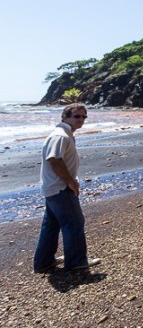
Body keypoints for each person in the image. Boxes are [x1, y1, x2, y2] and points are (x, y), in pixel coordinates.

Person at [33, 103, 101, 272]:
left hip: (53, 188)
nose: (81, 120)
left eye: (84, 117)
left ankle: (44, 262)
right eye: (77, 116)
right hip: (60, 188)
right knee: (74, 222)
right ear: (64, 117)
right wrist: (70, 181)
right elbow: (54, 159)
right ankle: (76, 261)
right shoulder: (61, 135)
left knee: (51, 224)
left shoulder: (65, 134)